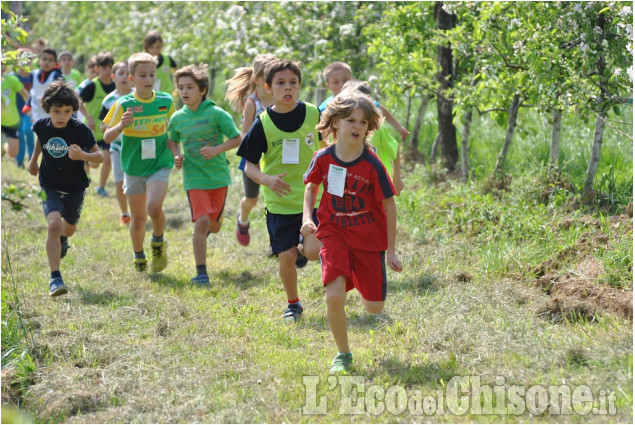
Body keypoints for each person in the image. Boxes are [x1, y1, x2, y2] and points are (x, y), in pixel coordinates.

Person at [302, 89, 403, 373]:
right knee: (334, 296)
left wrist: (391, 250)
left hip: (369, 239)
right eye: (350, 120)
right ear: (335, 122)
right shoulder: (322, 158)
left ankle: (356, 274)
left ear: (369, 127)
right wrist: (307, 219)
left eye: (362, 122)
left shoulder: (372, 164)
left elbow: (390, 205)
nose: (357, 126)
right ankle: (343, 354)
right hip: (333, 231)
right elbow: (311, 189)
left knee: (374, 307)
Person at [237, 58, 323, 322]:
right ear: (268, 88)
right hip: (280, 201)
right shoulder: (262, 123)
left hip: (314, 198)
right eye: (281, 83)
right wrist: (266, 179)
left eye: (293, 83)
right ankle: (293, 304)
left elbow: (329, 144)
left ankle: (303, 247)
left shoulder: (314, 114)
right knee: (285, 255)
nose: (288, 88)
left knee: (311, 252)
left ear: (299, 86)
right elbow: (248, 165)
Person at [26, 80, 104, 297]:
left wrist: (83, 156)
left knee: (67, 229)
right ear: (47, 109)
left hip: (74, 188)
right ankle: (55, 279)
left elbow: (100, 156)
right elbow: (41, 140)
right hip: (48, 184)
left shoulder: (80, 129)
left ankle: (63, 239)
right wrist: (34, 160)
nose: (62, 116)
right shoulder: (41, 125)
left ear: (74, 110)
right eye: (56, 111)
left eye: (67, 111)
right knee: (53, 225)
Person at [168, 64, 242, 285]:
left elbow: (236, 139)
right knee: (201, 223)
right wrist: (176, 156)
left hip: (218, 177)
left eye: (189, 87)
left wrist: (217, 150)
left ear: (202, 89)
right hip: (194, 178)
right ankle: (201, 273)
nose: (184, 92)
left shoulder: (217, 113)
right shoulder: (177, 118)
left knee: (214, 225)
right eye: (181, 88)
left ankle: (206, 233)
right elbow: (172, 140)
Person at [103, 52, 175, 273]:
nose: (149, 79)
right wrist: (120, 127)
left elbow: (173, 131)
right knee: (138, 218)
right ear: (132, 78)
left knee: (154, 207)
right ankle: (138, 253)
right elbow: (107, 137)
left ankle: (158, 241)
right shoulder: (123, 104)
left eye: (152, 74)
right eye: (143, 75)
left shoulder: (166, 101)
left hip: (159, 163)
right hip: (133, 167)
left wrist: (177, 153)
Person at [224, 53, 276, 246]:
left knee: (276, 200)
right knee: (252, 200)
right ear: (257, 79)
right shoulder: (252, 103)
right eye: (266, 79)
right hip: (253, 158)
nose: (270, 84)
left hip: (275, 157)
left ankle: (277, 241)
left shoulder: (280, 98)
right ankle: (242, 218)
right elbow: (244, 136)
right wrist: (258, 152)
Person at [319, 61, 410, 141]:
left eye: (345, 80)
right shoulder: (325, 107)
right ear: (328, 85)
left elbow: (380, 109)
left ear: (351, 79)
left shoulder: (359, 101)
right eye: (336, 82)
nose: (342, 84)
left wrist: (399, 128)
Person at [342, 79, 403, 194]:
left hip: (377, 188)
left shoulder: (379, 130)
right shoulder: (339, 130)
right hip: (348, 190)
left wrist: (397, 178)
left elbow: (395, 150)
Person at [99, 60, 133, 226]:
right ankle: (125, 214)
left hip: (136, 146)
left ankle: (139, 212)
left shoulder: (138, 96)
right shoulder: (108, 101)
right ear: (113, 77)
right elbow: (102, 127)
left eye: (128, 74)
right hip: (117, 147)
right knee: (119, 183)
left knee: (139, 182)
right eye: (120, 73)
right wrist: (118, 123)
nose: (124, 77)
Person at [78, 51, 115, 197]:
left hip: (108, 131)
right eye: (104, 67)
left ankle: (101, 187)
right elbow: (78, 101)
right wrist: (88, 116)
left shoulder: (115, 85)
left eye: (110, 67)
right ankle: (85, 166)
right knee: (94, 163)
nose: (108, 70)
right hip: (91, 131)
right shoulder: (92, 86)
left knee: (107, 159)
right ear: (97, 69)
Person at [22, 47, 63, 125]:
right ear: (39, 61)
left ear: (55, 63)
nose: (47, 62)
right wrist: (28, 104)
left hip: (51, 112)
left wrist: (49, 98)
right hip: (36, 110)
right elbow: (32, 91)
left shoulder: (56, 76)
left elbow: (61, 93)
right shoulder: (33, 74)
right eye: (44, 59)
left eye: (50, 60)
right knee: (38, 134)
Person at [12, 49, 36, 167]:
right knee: (20, 133)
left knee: (28, 130)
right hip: (15, 111)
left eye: (28, 59)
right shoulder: (13, 77)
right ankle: (19, 159)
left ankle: (32, 156)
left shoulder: (33, 76)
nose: (26, 62)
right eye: (22, 59)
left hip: (29, 111)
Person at [2, 66, 29, 158]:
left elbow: (25, 95)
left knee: (13, 153)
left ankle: (3, 147)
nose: (1, 66)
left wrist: (30, 109)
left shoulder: (12, 79)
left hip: (11, 120)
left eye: (3, 63)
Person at [143, 30, 177, 99]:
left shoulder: (167, 59)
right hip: (148, 97)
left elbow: (176, 72)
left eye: (158, 47)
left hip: (165, 96)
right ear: (147, 48)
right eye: (152, 47)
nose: (155, 50)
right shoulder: (142, 61)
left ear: (161, 46)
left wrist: (177, 87)